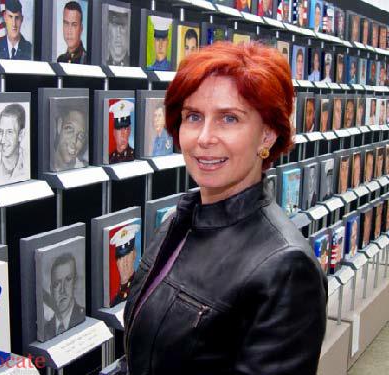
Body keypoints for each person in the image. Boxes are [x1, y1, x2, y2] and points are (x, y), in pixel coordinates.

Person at [123, 42, 327, 375]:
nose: (204, 137)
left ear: (267, 136)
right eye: (193, 116)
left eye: (228, 118)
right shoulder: (182, 220)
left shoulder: (287, 268)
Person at [44, 254, 85, 340]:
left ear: (75, 282)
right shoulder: (45, 330)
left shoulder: (83, 316)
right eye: (57, 284)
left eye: (68, 279)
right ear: (51, 290)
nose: (62, 290)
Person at [110, 224, 140, 306]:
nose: (124, 262)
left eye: (128, 254)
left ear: (134, 254)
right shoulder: (115, 297)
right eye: (120, 257)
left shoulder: (140, 286)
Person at [52, 106, 88, 172]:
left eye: (81, 136)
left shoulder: (84, 171)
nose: (74, 141)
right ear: (59, 126)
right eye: (70, 129)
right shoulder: (44, 164)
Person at [0, 103, 27, 180]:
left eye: (9, 132)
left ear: (21, 134)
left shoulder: (27, 163)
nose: (3, 140)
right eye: (1, 131)